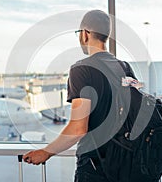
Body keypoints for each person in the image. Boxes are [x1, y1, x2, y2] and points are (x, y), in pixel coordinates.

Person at [23, 10, 136, 181]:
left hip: (96, 168)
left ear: (85, 34)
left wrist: (45, 152)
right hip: (126, 165)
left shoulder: (82, 69)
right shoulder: (125, 67)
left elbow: (78, 128)